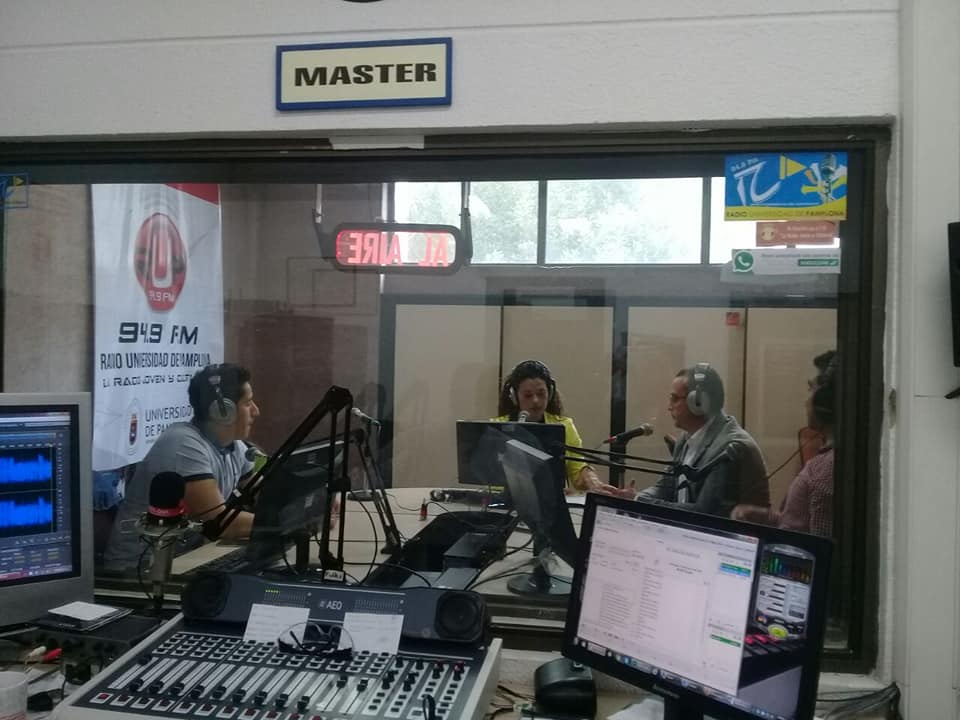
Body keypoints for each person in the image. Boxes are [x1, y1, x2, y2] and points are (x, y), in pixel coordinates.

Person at [102, 363, 260, 571]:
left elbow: (265, 497)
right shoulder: (183, 444)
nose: (256, 411)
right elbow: (223, 524)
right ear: (223, 411)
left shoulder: (235, 447)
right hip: (138, 572)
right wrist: (280, 524)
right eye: (248, 403)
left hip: (184, 562)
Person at [613, 362, 769, 517]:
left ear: (698, 402)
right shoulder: (685, 439)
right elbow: (666, 488)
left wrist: (639, 501)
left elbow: (704, 514)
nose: (669, 406)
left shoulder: (730, 449)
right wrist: (634, 498)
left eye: (675, 399)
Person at [732, 350, 837, 537]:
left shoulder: (825, 472)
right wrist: (763, 517)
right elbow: (797, 523)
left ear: (824, 401)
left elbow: (817, 547)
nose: (807, 401)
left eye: (811, 389)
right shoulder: (825, 464)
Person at [493, 359, 603, 492]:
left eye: (541, 394)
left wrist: (591, 480)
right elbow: (488, 475)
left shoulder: (564, 426)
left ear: (549, 393)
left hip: (551, 503)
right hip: (503, 503)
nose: (535, 400)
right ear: (514, 397)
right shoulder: (496, 427)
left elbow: (577, 470)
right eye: (528, 395)